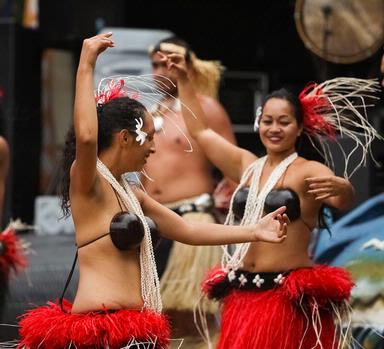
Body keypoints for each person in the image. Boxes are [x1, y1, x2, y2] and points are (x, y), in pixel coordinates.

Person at [14, 33, 289, 349]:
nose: (154, 148)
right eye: (148, 137)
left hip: (136, 331)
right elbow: (87, 138)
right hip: (100, 333)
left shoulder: (132, 193)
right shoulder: (88, 182)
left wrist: (255, 230)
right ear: (124, 138)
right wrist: (86, 63)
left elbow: (187, 229)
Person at [162, 52, 383, 349]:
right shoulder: (246, 167)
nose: (274, 129)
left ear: (299, 128)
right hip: (243, 295)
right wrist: (185, 81)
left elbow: (342, 200)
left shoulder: (308, 170)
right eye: (268, 121)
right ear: (258, 123)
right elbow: (201, 132)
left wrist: (343, 187)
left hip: (285, 302)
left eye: (284, 122)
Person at [145, 36, 237, 344]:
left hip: (191, 224)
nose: (160, 70)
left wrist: (233, 213)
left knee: (191, 317)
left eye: (168, 64)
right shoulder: (151, 114)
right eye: (155, 64)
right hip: (152, 224)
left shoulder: (206, 109)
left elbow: (235, 169)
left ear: (188, 67)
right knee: (157, 316)